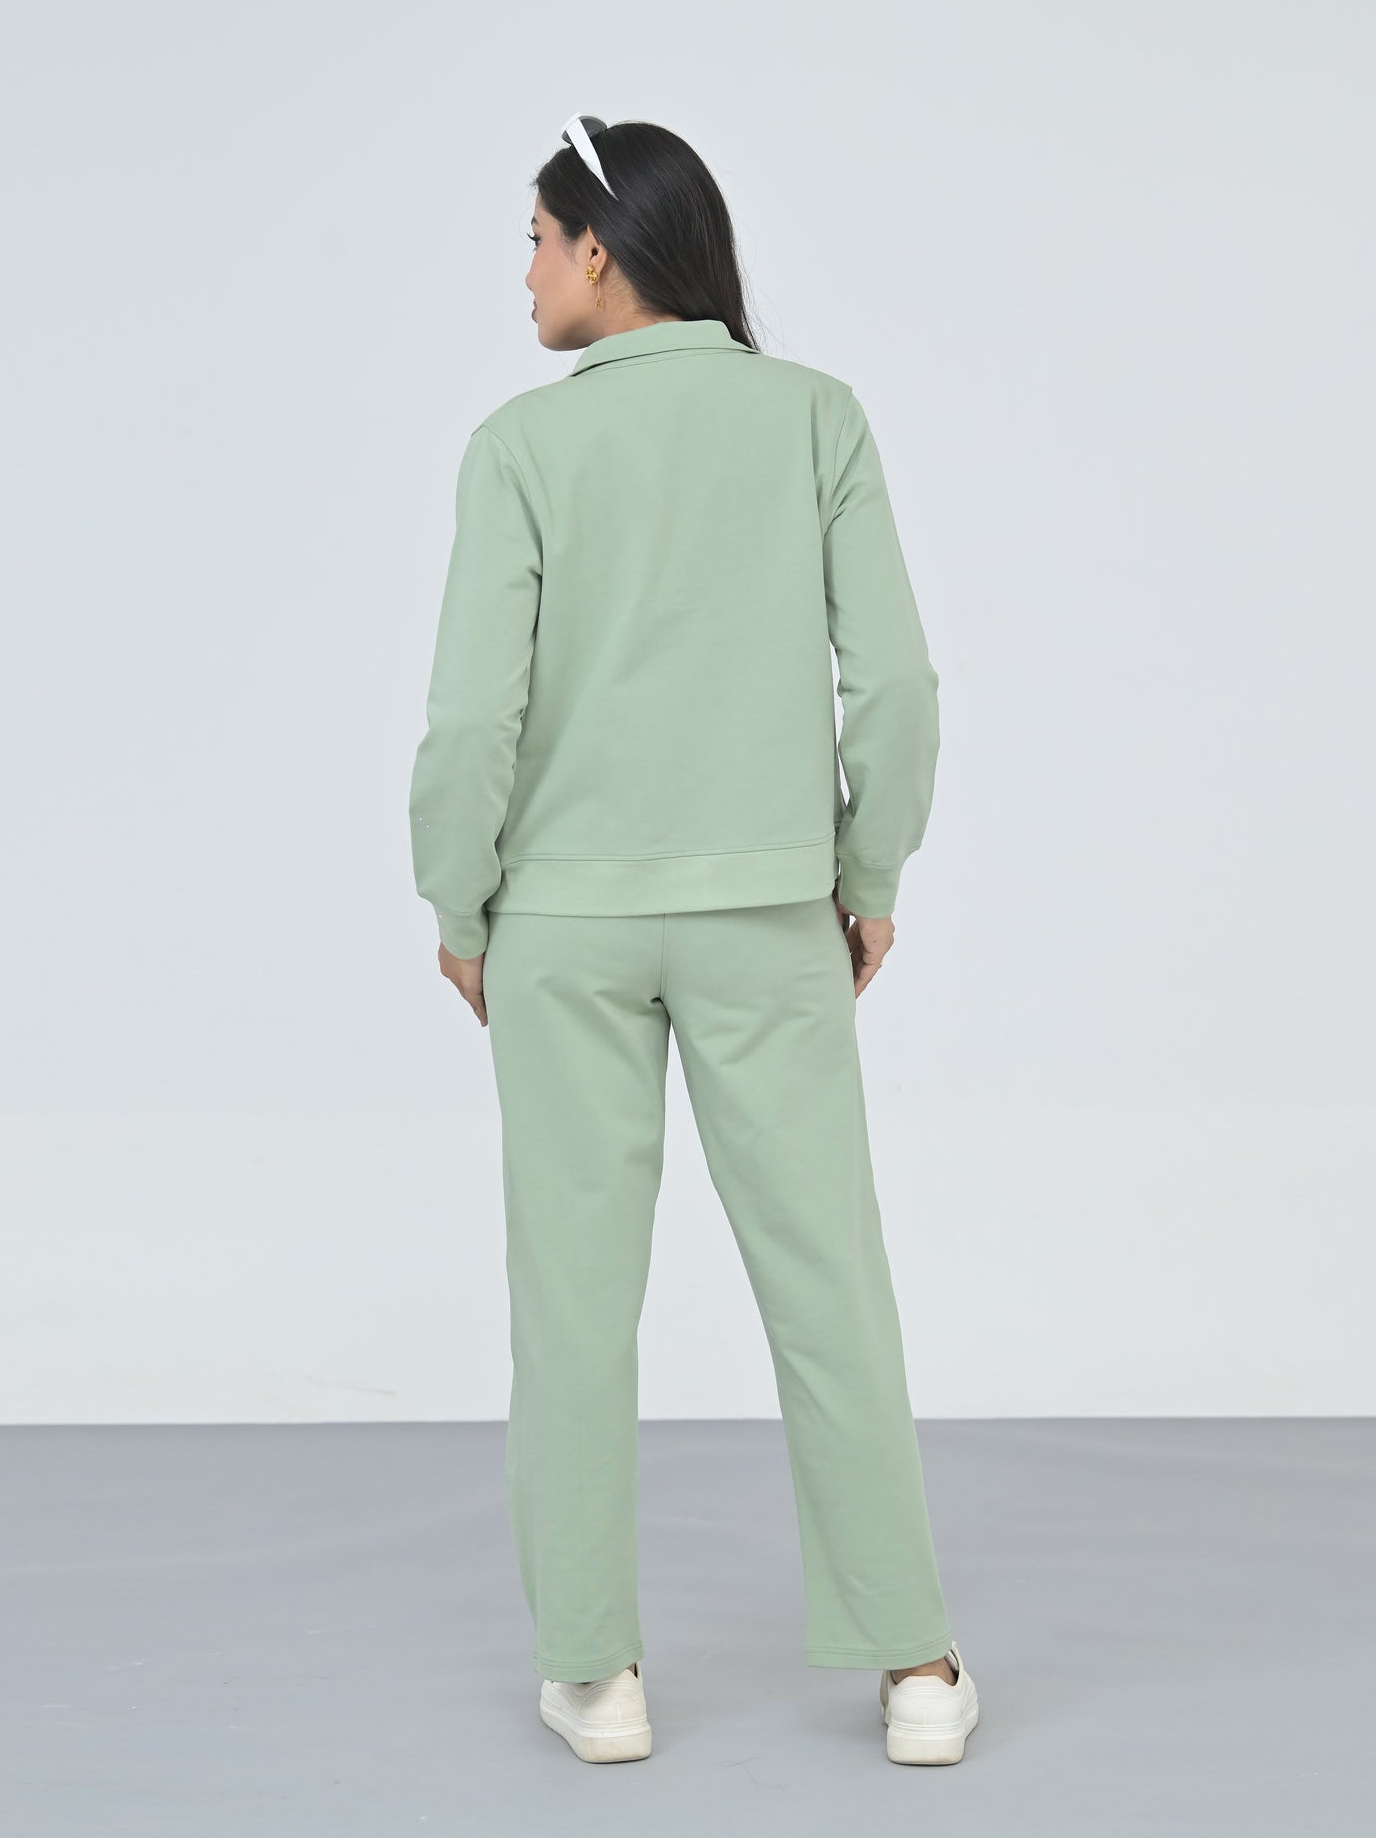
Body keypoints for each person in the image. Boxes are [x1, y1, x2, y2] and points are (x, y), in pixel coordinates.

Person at [407, 113, 980, 1768]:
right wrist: (866, 873)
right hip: (767, 918)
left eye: (536, 239)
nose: (524, 272)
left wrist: (459, 902)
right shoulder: (813, 418)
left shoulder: (519, 448)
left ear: (600, 247)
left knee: (571, 1302)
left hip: (562, 928)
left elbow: (470, 720)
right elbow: (897, 683)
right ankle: (916, 1667)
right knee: (828, 1282)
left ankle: (596, 1673)